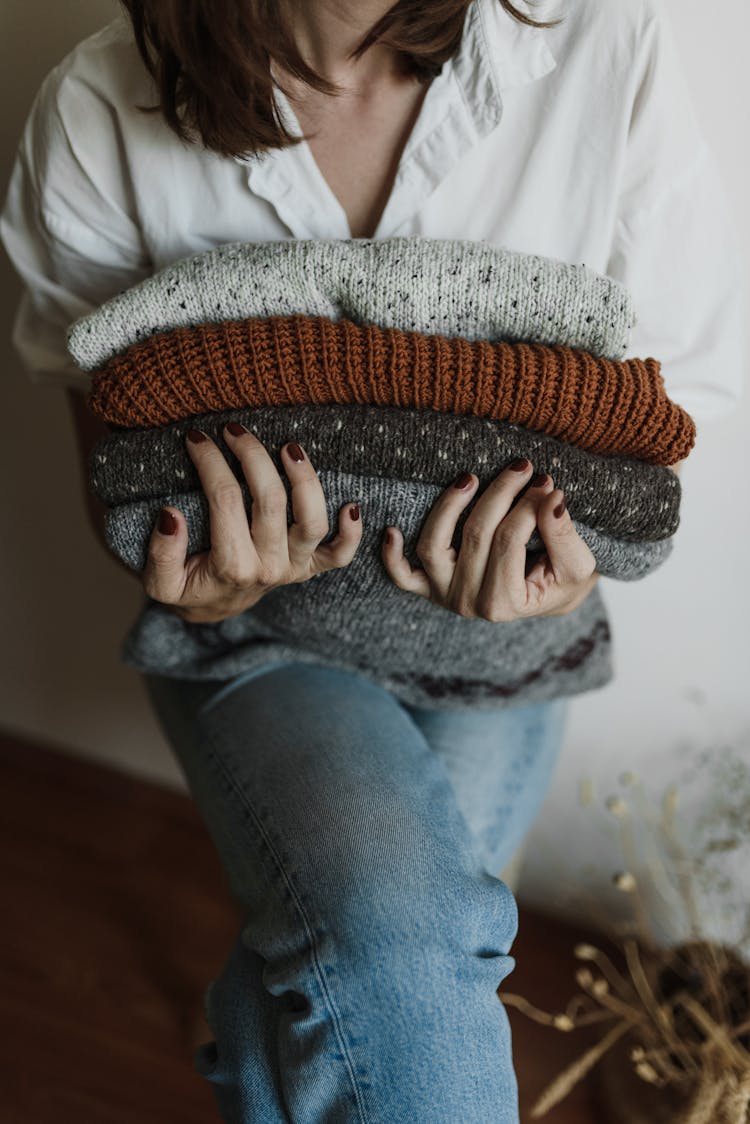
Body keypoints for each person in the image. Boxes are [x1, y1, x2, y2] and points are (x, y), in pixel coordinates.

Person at [0, 0, 743, 1120]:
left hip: (509, 654)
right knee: (404, 948)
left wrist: (574, 560)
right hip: (259, 640)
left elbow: (673, 404)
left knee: (366, 970)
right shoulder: (104, 111)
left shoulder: (599, 45)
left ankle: (269, 1032)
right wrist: (213, 576)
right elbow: (113, 470)